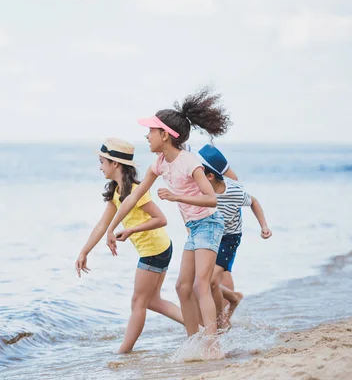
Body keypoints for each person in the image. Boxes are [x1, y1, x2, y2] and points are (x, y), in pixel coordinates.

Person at [106, 88, 231, 342]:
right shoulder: (161, 162)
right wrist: (112, 227)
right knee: (181, 287)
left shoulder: (190, 162)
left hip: (210, 223)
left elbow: (211, 199)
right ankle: (194, 342)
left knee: (199, 285)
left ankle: (213, 345)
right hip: (195, 228)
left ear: (165, 135)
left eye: (151, 131)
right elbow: (132, 196)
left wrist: (177, 197)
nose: (147, 136)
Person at [75, 137, 183, 353]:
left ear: (115, 163)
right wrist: (84, 251)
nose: (100, 167)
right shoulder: (116, 191)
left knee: (139, 301)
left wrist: (131, 230)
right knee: (152, 301)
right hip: (158, 248)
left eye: (102, 162)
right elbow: (102, 225)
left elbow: (161, 219)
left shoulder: (136, 190)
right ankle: (199, 326)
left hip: (154, 249)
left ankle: (124, 352)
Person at [197, 144, 272, 328]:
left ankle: (220, 320)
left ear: (210, 176)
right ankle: (232, 298)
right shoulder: (200, 189)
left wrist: (263, 226)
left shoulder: (235, 191)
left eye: (199, 173)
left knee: (211, 279)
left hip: (229, 237)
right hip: (210, 234)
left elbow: (253, 201)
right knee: (204, 280)